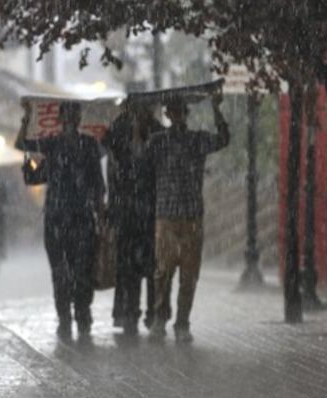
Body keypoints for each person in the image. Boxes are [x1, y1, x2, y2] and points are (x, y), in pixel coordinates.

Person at [16, 102, 105, 338]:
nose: (71, 120)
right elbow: (22, 145)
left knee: (82, 270)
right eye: (67, 116)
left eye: (74, 115)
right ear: (60, 119)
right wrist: (26, 119)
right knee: (60, 272)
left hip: (82, 218)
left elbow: (97, 183)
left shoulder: (88, 145)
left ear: (79, 118)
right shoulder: (52, 145)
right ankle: (65, 317)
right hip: (57, 219)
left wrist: (100, 213)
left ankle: (82, 314)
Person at [146, 93, 230, 342]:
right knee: (163, 272)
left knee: (189, 274)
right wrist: (139, 122)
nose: (177, 115)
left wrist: (216, 109)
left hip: (191, 216)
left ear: (185, 113)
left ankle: (182, 322)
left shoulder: (197, 140)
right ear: (167, 114)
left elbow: (223, 139)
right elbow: (140, 157)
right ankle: (160, 317)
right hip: (166, 216)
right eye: (172, 111)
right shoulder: (158, 141)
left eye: (180, 111)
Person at [103, 101, 165, 335]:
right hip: (127, 211)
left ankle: (152, 313)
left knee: (151, 266)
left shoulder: (157, 132)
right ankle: (130, 312)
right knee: (128, 267)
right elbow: (111, 157)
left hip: (149, 211)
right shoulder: (119, 130)